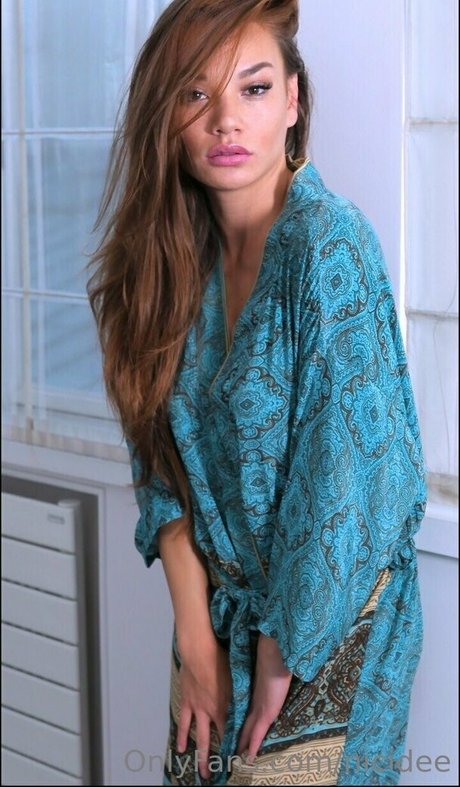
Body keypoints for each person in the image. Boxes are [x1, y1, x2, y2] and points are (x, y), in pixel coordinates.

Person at [87, 1, 427, 784]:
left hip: (330, 624)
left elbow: (349, 481)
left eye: (255, 87)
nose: (225, 121)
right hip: (215, 616)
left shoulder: (329, 244)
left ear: (294, 101)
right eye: (195, 93)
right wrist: (195, 640)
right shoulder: (166, 261)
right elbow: (160, 464)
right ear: (165, 115)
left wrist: (278, 658)